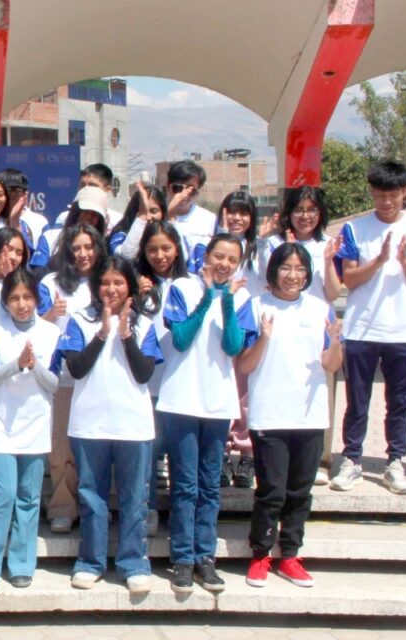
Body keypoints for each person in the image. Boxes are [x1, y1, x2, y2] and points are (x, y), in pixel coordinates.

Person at [332, 160, 406, 495]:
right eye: (380, 195)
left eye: (393, 195)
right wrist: (378, 260)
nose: (387, 202)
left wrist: (404, 259)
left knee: (400, 402)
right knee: (357, 400)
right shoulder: (354, 229)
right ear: (372, 193)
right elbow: (348, 278)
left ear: (404, 192)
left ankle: (395, 461)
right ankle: (352, 459)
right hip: (363, 329)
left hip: (403, 331)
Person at [238, 242, 342, 589]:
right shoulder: (255, 306)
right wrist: (264, 338)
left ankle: (291, 555)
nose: (293, 275)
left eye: (299, 269)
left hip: (309, 415)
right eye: (286, 268)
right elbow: (244, 364)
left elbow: (331, 365)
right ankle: (261, 554)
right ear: (273, 270)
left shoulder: (319, 308)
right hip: (270, 413)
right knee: (272, 491)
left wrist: (336, 341)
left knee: (300, 491)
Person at [157, 233, 257, 594]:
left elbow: (233, 345)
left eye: (232, 259)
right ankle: (182, 559)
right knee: (184, 485)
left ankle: (206, 558)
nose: (224, 264)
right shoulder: (182, 287)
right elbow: (181, 339)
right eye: (219, 256)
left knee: (209, 487)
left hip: (217, 402)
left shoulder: (242, 297)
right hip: (181, 399)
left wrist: (227, 302)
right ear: (206, 256)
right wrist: (206, 300)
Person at [62, 255, 162, 594]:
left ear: (131, 287)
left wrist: (125, 336)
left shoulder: (146, 324)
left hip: (133, 426)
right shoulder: (79, 320)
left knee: (135, 500)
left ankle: (133, 563)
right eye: (105, 282)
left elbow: (145, 373)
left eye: (119, 282)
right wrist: (103, 334)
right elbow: (76, 368)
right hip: (90, 424)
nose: (111, 288)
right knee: (92, 498)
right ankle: (90, 562)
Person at [0, 268, 61, 594]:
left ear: (37, 299)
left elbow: (55, 384)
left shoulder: (51, 332)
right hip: (0, 424)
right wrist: (16, 365)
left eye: (27, 297)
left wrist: (35, 366)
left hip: (35, 424)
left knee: (29, 497)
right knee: (2, 494)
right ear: (5, 301)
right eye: (15, 298)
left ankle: (21, 564)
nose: (21, 304)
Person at [262, 186, 343, 486]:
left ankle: (321, 459)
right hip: (282, 323)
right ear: (288, 214)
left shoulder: (327, 245)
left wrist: (328, 260)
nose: (305, 216)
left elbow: (334, 292)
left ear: (320, 213)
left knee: (322, 391)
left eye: (311, 210)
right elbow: (267, 283)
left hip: (316, 324)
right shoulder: (276, 243)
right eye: (299, 210)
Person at [39, 223, 104, 534]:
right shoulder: (52, 282)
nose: (82, 254)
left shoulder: (107, 280)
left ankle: (94, 507)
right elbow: (30, 324)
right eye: (76, 248)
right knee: (61, 448)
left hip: (102, 379)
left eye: (88, 247)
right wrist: (49, 314)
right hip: (64, 378)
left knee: (95, 447)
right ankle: (63, 506)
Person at [136, 221, 189, 531]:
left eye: (166, 248)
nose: (159, 255)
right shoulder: (136, 283)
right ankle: (148, 509)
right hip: (148, 381)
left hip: (182, 381)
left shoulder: (190, 283)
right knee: (149, 452)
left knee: (179, 454)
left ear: (177, 249)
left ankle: (181, 516)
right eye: (152, 249)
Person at [217, 191, 265, 489]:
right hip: (219, 324)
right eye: (231, 212)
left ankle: (246, 453)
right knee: (223, 386)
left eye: (243, 213)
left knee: (246, 391)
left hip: (250, 320)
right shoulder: (214, 246)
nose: (236, 218)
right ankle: (222, 450)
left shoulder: (261, 249)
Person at [29, 186, 109, 273]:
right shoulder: (50, 237)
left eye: (94, 214)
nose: (89, 218)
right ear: (75, 212)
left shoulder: (106, 250)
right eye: (86, 212)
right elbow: (37, 275)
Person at [164, 160, 215, 273]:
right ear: (168, 186)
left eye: (191, 190)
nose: (184, 194)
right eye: (178, 188)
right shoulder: (156, 216)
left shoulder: (209, 219)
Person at [109, 183, 167, 260]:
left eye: (154, 211)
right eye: (142, 211)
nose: (148, 217)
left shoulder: (168, 234)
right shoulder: (120, 235)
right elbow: (126, 257)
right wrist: (142, 216)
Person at [2, 169, 48, 244]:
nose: (13, 195)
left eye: (18, 190)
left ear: (25, 194)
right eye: (9, 190)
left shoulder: (40, 221)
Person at [79, 163, 124, 229]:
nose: (86, 189)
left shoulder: (118, 221)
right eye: (82, 185)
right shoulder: (65, 219)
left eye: (92, 186)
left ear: (107, 190)